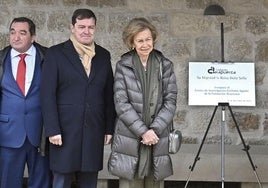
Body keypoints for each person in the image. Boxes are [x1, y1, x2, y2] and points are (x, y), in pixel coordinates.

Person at [40, 8, 115, 188]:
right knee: (61, 180)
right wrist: (52, 129)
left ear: (95, 28)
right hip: (64, 131)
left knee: (89, 181)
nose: (86, 31)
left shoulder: (103, 55)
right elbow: (47, 94)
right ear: (72, 27)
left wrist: (108, 128)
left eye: (90, 27)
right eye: (81, 26)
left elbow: (108, 94)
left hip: (94, 130)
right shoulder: (56, 54)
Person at [108, 17, 178, 188]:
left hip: (157, 137)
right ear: (131, 42)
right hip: (130, 137)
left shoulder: (165, 65)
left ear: (153, 39)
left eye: (148, 39)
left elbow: (171, 100)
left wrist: (154, 130)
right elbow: (121, 103)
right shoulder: (123, 66)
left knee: (155, 182)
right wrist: (143, 131)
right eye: (140, 40)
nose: (145, 44)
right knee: (130, 183)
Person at [0, 17, 51, 188]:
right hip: (8, 133)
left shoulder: (48, 57)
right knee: (7, 183)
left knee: (41, 183)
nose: (16, 37)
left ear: (33, 37)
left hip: (41, 133)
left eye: (22, 33)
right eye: (13, 32)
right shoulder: (1, 59)